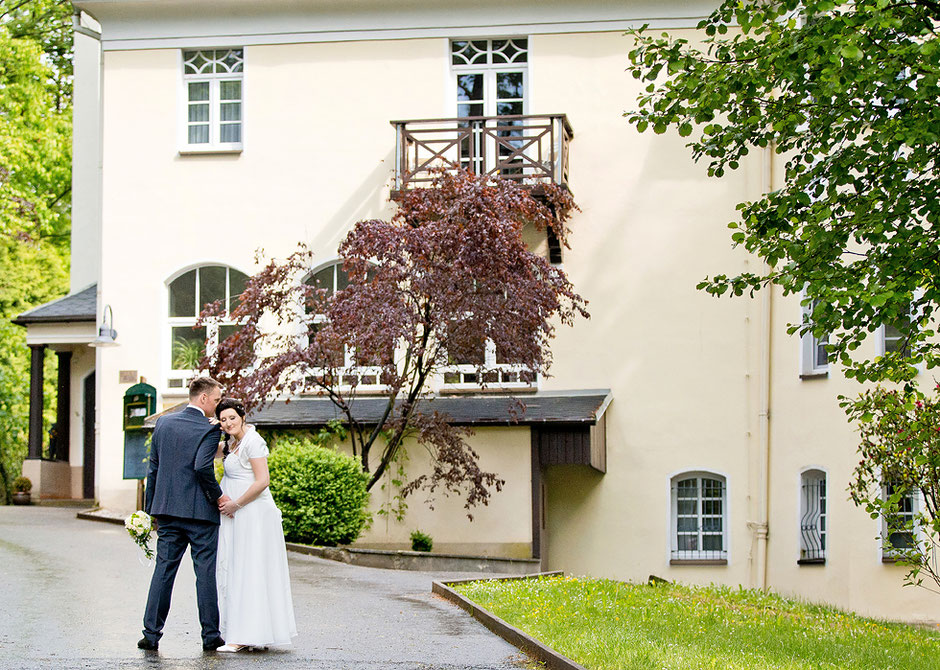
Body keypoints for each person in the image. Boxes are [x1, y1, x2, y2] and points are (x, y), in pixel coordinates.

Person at [139, 377, 229, 652]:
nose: (216, 407)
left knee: (164, 571)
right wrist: (220, 496)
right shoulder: (209, 429)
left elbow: (153, 469)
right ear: (203, 398)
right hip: (201, 513)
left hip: (166, 511)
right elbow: (203, 468)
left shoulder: (163, 423)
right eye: (215, 400)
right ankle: (210, 636)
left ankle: (150, 635)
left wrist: (148, 511)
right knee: (204, 574)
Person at [214, 398, 297, 652]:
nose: (228, 423)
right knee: (235, 567)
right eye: (223, 419)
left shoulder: (253, 441)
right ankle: (244, 632)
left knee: (249, 569)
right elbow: (209, 450)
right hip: (235, 512)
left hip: (251, 512)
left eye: (232, 418)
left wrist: (236, 504)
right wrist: (210, 427)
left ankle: (244, 636)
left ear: (242, 416)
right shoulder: (231, 443)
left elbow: (263, 481)